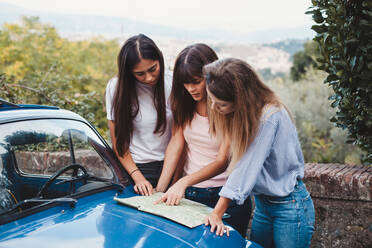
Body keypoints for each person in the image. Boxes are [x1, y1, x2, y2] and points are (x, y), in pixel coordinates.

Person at [203, 58, 315, 248]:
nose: (213, 108)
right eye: (211, 101)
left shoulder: (269, 117)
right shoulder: (248, 115)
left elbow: (246, 166)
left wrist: (217, 212)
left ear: (241, 99)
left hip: (289, 207)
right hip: (263, 205)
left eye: (220, 104)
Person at [155, 44, 252, 237]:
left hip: (225, 197)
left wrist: (182, 182)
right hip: (191, 194)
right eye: (185, 83)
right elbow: (176, 143)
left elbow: (222, 161)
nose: (190, 88)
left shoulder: (226, 106)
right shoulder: (184, 103)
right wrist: (160, 189)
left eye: (196, 82)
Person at [105, 34, 172, 196]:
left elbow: (181, 137)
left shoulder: (172, 81)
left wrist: (167, 182)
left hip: (172, 168)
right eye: (140, 74)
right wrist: (139, 178)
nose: (149, 78)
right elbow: (119, 143)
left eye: (153, 69)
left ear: (160, 60)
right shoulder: (116, 88)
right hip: (136, 169)